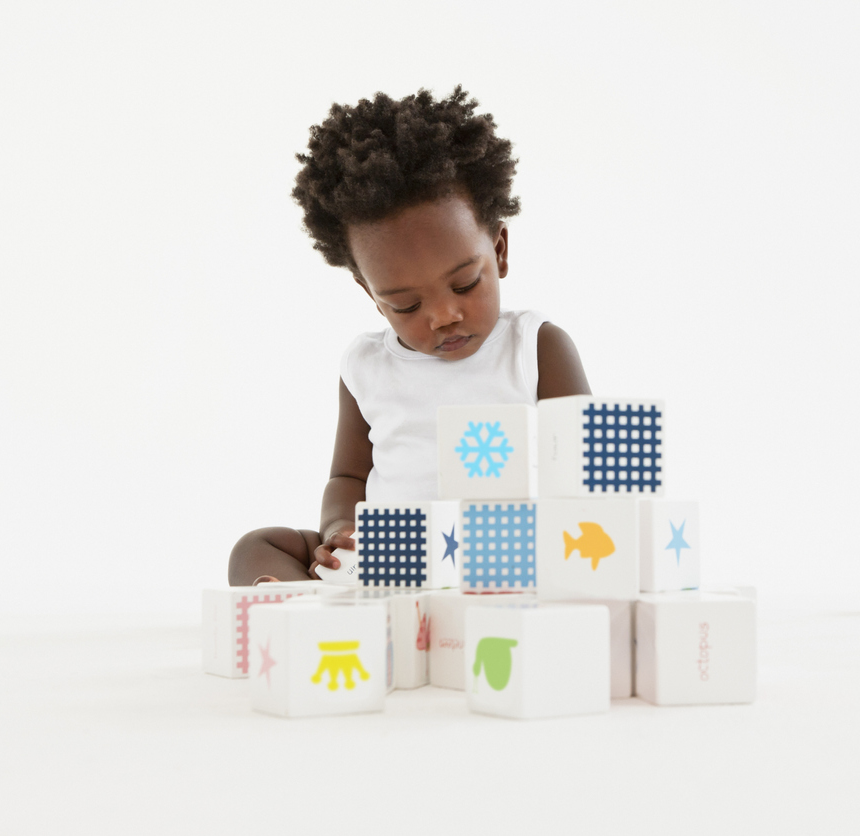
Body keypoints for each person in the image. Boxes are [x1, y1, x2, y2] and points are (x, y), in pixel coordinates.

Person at [228, 87, 591, 586]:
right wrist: (340, 529)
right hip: (394, 556)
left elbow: (585, 472)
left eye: (465, 284)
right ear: (370, 292)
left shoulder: (535, 346)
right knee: (257, 546)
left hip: (502, 551)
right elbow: (348, 477)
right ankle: (302, 614)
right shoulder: (366, 365)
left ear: (500, 249)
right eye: (406, 305)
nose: (443, 316)